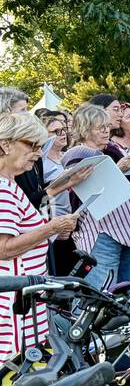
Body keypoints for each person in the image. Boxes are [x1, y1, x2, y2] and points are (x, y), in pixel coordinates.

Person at [0, 113, 79, 362]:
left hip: (24, 299)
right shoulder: (3, 189)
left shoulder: (10, 184)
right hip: (13, 305)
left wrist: (54, 229)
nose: (38, 153)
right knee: (14, 375)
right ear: (6, 144)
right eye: (32, 145)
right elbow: (3, 249)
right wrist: (50, 228)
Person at [63, 103, 130, 299]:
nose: (106, 131)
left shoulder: (111, 149)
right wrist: (119, 169)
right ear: (85, 129)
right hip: (103, 231)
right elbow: (83, 189)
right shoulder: (78, 154)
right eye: (100, 128)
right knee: (101, 292)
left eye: (106, 126)